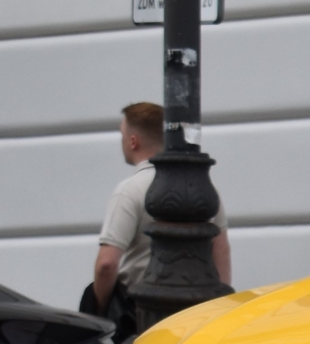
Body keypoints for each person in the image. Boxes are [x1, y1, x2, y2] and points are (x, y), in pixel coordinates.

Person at [89, 102, 229, 331]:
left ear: (133, 141)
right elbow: (221, 248)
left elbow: (106, 264)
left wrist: (100, 307)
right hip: (197, 314)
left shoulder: (129, 190)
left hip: (142, 316)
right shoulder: (204, 188)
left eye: (122, 135)